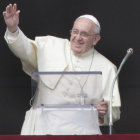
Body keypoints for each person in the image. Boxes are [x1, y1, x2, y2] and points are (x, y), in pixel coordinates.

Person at [3, 4, 121, 135]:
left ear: (95, 39)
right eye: (75, 32)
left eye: (84, 34)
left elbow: (113, 111)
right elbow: (25, 49)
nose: (77, 37)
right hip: (45, 127)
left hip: (83, 132)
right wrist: (13, 29)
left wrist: (103, 111)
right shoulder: (51, 47)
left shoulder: (107, 67)